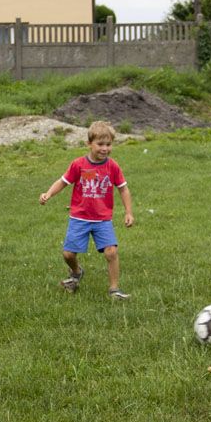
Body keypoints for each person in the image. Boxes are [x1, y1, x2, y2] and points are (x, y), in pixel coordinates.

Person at [39, 120, 135, 299]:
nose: (105, 148)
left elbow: (123, 188)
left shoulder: (112, 166)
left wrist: (129, 212)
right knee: (68, 254)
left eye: (108, 144)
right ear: (89, 144)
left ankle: (114, 289)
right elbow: (63, 182)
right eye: (100, 144)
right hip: (79, 218)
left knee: (111, 252)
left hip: (102, 219)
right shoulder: (78, 165)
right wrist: (49, 193)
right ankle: (76, 272)